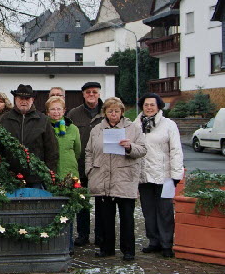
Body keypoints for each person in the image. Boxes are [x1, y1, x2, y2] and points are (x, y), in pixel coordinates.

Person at [85, 97, 146, 261]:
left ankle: (128, 250)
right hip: (102, 177)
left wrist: (130, 147)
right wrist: (89, 170)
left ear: (122, 112)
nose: (113, 114)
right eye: (110, 111)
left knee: (127, 217)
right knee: (105, 217)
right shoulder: (97, 129)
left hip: (124, 178)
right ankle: (106, 248)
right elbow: (89, 151)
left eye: (116, 111)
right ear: (105, 112)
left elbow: (142, 150)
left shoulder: (133, 128)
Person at [135, 93, 184, 258]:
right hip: (144, 175)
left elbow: (176, 150)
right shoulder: (136, 125)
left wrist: (176, 174)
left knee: (165, 211)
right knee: (148, 210)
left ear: (159, 106)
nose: (149, 108)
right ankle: (153, 241)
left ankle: (166, 243)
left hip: (164, 176)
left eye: (152, 105)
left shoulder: (169, 125)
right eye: (146, 104)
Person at [66, 81, 104, 247]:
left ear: (99, 94)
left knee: (102, 202)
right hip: (80, 164)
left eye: (94, 92)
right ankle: (83, 234)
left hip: (101, 166)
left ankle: (101, 235)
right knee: (82, 203)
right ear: (83, 94)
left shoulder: (106, 111)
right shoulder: (74, 114)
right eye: (88, 92)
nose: (91, 95)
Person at [0, 84, 58, 188]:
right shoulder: (4, 119)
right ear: (15, 99)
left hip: (36, 177)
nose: (24, 101)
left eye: (27, 98)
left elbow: (51, 150)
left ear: (32, 100)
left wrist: (49, 175)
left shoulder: (43, 120)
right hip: (10, 177)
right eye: (21, 98)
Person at [46, 95, 81, 253]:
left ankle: (68, 244)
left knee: (69, 210)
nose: (56, 112)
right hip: (52, 173)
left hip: (69, 172)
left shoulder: (72, 128)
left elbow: (77, 150)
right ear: (47, 112)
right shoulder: (46, 127)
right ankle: (54, 243)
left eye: (59, 109)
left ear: (64, 111)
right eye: (52, 109)